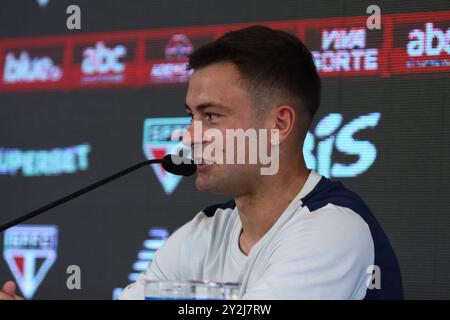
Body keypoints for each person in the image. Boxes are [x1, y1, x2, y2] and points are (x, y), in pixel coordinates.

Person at [1, 25, 402, 300]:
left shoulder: (333, 227)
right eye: (191, 116)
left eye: (211, 116)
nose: (190, 137)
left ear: (279, 124)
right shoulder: (204, 233)